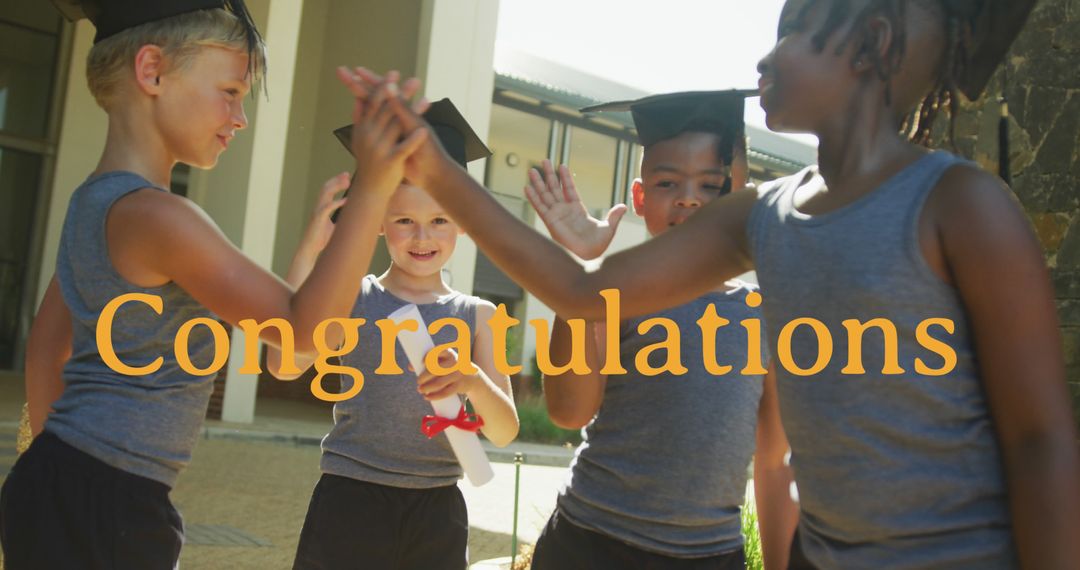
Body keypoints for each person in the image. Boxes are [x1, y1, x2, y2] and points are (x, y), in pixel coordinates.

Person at [339, 0, 1080, 566]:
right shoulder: (762, 214)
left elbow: (1041, 438)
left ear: (872, 44)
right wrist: (433, 170)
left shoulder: (960, 207)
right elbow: (582, 291)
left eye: (792, 30)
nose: (765, 56)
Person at [0, 0, 427, 566]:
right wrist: (374, 187)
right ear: (151, 71)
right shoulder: (160, 217)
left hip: (65, 481)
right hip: (109, 498)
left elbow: (44, 350)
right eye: (230, 91)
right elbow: (302, 334)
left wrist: (56, 471)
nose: (239, 117)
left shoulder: (93, 201)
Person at [524, 91, 797, 570]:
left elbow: (773, 463)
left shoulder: (767, 316)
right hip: (591, 543)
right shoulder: (616, 294)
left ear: (743, 198)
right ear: (640, 196)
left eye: (713, 185)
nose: (690, 197)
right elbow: (569, 411)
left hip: (709, 556)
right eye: (668, 182)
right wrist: (582, 278)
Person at [267, 99, 519, 570]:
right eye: (404, 220)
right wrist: (311, 249)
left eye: (440, 220)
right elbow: (285, 364)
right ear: (378, 222)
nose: (422, 236)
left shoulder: (477, 315)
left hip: (437, 507)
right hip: (351, 497)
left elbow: (504, 431)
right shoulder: (354, 298)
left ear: (462, 223)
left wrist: (470, 381)